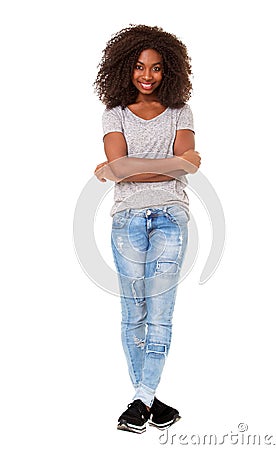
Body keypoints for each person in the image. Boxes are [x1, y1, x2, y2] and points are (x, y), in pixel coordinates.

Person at [93, 24, 201, 434]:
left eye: (156, 68)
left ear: (169, 71)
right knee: (132, 311)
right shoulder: (115, 114)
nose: (147, 76)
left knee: (160, 313)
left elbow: (183, 165)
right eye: (139, 67)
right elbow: (178, 163)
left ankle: (139, 402)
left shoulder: (180, 112)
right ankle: (151, 402)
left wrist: (123, 170)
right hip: (126, 220)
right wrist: (170, 165)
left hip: (171, 217)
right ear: (125, 68)